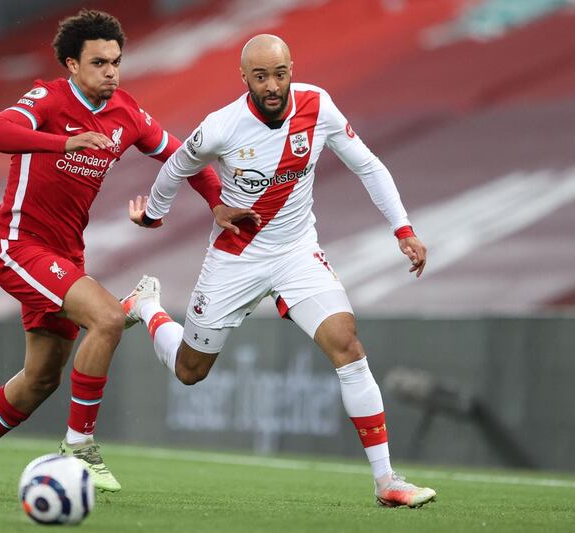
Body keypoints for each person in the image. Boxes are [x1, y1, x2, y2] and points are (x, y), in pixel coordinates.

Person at [0, 9, 249, 498]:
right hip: (19, 245)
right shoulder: (47, 99)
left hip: (66, 255)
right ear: (71, 64)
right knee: (106, 318)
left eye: (116, 61)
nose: (111, 71)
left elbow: (184, 156)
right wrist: (59, 141)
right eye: (99, 63)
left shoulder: (126, 113)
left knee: (42, 378)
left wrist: (217, 203)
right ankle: (79, 442)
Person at [122, 34, 436, 507]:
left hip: (296, 253)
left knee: (348, 346)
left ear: (292, 68)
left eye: (281, 73)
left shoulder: (318, 106)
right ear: (244, 78)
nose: (273, 85)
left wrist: (403, 229)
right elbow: (177, 166)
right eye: (261, 76)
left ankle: (386, 481)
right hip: (236, 258)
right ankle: (147, 307)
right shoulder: (221, 127)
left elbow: (368, 166)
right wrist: (155, 213)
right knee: (190, 372)